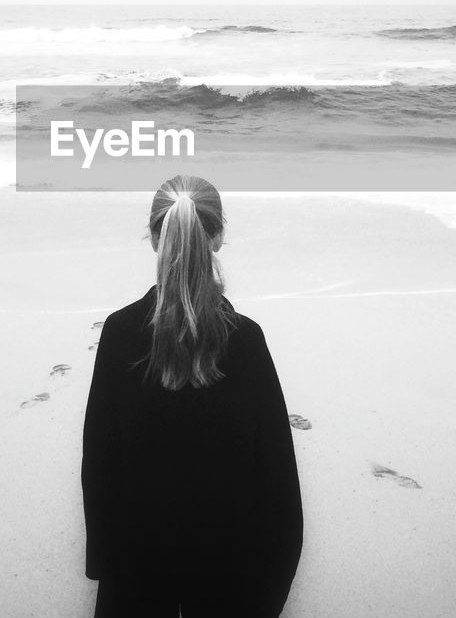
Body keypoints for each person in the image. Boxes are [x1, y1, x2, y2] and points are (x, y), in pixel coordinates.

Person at [81, 175, 303, 618]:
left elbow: (100, 467)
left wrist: (107, 571)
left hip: (138, 569)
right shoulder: (246, 340)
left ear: (154, 239)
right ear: (218, 237)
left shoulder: (120, 333)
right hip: (231, 573)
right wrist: (271, 590)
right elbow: (278, 483)